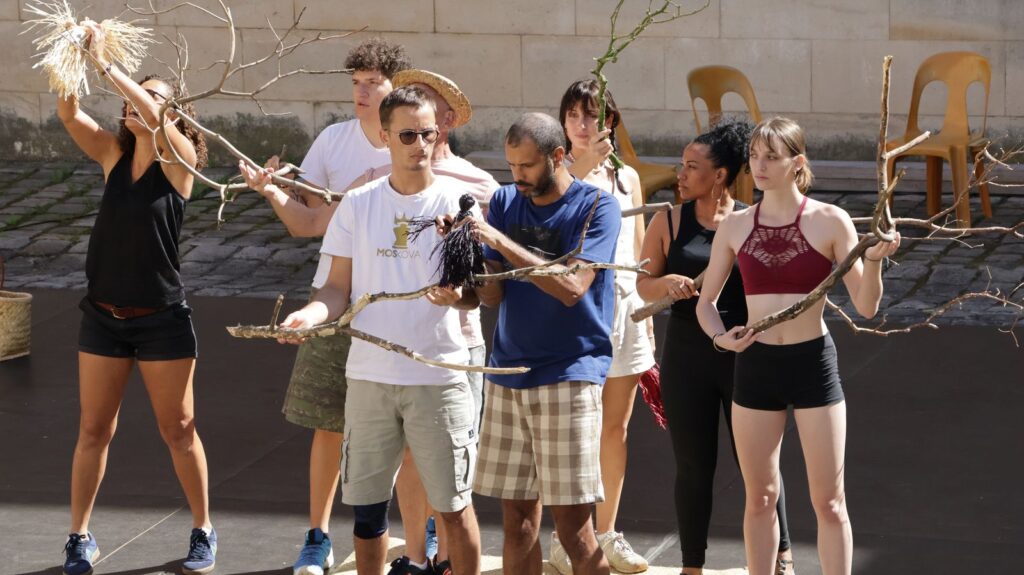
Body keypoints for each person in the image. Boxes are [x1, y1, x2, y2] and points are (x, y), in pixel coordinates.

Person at [242, 86, 483, 575]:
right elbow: (335, 289)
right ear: (385, 136)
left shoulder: (459, 206)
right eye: (409, 134)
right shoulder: (358, 203)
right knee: (369, 515)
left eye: (428, 133)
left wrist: (456, 295)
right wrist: (307, 317)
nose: (421, 144)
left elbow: (477, 294)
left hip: (437, 377)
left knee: (455, 511)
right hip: (370, 378)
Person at [695, 117, 900, 575]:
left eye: (772, 156)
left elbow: (866, 306)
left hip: (813, 366)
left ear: (797, 163)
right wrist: (720, 338)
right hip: (756, 365)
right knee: (760, 496)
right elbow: (705, 303)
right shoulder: (735, 225)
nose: (760, 166)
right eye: (754, 156)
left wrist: (874, 260)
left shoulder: (831, 220)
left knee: (829, 501)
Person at [57, 20, 216, 575]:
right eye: (137, 94)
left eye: (155, 98)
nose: (140, 104)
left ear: (175, 114)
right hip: (103, 315)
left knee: (179, 429)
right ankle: (78, 536)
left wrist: (107, 64)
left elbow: (152, 117)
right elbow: (69, 113)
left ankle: (202, 528)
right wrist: (72, 54)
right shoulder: (111, 157)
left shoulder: (180, 161)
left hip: (162, 319)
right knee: (93, 430)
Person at [248, 38, 410, 575]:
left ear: (394, 86)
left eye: (372, 83)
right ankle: (317, 537)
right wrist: (272, 191)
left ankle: (420, 534)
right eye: (356, 84)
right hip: (333, 297)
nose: (361, 93)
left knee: (408, 425)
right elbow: (307, 222)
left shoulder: (409, 143)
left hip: (395, 304)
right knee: (328, 423)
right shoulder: (334, 142)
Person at [635, 118, 795, 575]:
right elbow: (643, 285)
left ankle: (781, 553)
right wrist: (664, 283)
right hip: (686, 356)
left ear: (721, 174)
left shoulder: (751, 221)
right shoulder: (667, 220)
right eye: (680, 166)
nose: (680, 175)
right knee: (692, 466)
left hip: (745, 356)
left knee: (759, 467)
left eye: (692, 166)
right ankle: (692, 566)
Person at [469, 112, 621, 575]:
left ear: (559, 156)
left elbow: (573, 288)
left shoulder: (598, 207)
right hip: (508, 372)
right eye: (511, 166)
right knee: (516, 524)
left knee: (575, 531)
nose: (517, 177)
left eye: (527, 166)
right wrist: (471, 262)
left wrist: (500, 241)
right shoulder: (503, 202)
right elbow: (491, 294)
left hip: (570, 373)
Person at [390, 68, 499, 575]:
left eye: (428, 114)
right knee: (410, 455)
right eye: (407, 121)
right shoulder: (381, 178)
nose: (418, 126)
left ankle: (453, 560)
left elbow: (494, 275)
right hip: (398, 339)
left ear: (446, 121)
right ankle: (415, 554)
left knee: (454, 457)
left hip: (459, 339)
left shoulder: (480, 184)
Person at [549, 79, 655, 575]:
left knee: (615, 428)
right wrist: (584, 168)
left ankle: (608, 531)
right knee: (574, 430)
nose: (583, 125)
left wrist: (645, 316)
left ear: (610, 120)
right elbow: (551, 241)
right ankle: (566, 537)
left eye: (593, 115)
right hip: (577, 312)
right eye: (574, 115)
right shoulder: (556, 173)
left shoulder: (627, 177)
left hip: (623, 308)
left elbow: (635, 253)